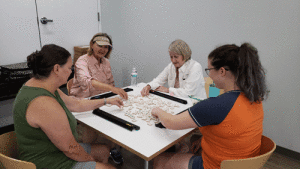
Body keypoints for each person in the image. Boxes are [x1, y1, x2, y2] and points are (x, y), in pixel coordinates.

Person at [151, 43, 268, 169]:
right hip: (244, 163)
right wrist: (204, 141)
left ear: (222, 71)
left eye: (209, 70)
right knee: (194, 141)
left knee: (159, 160)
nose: (209, 75)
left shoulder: (216, 105)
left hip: (218, 166)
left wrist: (156, 110)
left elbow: (170, 122)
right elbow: (233, 131)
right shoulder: (255, 98)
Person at [13, 44, 121, 169]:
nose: (71, 72)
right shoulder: (43, 103)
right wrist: (90, 160)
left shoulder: (43, 85)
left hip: (54, 149)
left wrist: (106, 101)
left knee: (103, 150)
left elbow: (76, 104)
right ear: (57, 69)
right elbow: (71, 150)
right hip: (46, 162)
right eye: (70, 68)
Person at [140, 39, 206, 100]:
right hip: (178, 101)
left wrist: (167, 90)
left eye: (176, 57)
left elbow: (188, 93)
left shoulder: (195, 67)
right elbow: (159, 80)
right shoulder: (171, 66)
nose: (173, 60)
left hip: (194, 103)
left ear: (185, 55)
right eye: (171, 57)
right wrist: (149, 86)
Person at [69, 32, 128, 100]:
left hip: (102, 98)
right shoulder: (82, 61)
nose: (102, 50)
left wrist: (114, 93)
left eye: (106, 47)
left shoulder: (106, 62)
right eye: (100, 46)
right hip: (84, 100)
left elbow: (111, 83)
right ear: (92, 45)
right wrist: (112, 89)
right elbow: (86, 82)